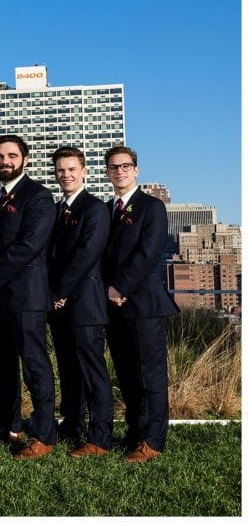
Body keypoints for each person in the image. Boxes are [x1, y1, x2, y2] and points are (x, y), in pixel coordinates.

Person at [0, 134, 57, 460]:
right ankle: (7, 424)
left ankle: (43, 434)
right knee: (1, 365)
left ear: (26, 159)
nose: (4, 161)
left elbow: (29, 244)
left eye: (11, 156)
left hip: (24, 297)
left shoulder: (38, 197)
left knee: (34, 366)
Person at [101, 145, 178, 463]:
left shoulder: (152, 207)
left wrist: (120, 287)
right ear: (107, 173)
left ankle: (152, 441)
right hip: (112, 306)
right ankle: (134, 434)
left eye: (125, 166)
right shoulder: (106, 210)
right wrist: (108, 291)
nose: (120, 171)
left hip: (143, 305)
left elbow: (148, 254)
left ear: (136, 170)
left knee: (151, 375)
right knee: (128, 374)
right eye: (113, 167)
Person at [47, 146, 113, 458]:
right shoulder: (59, 210)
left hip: (84, 304)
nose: (66, 175)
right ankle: (72, 424)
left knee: (92, 373)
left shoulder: (95, 208)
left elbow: (87, 254)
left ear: (84, 171)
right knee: (69, 371)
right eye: (61, 170)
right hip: (60, 307)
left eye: (72, 169)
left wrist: (59, 291)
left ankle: (99, 437)